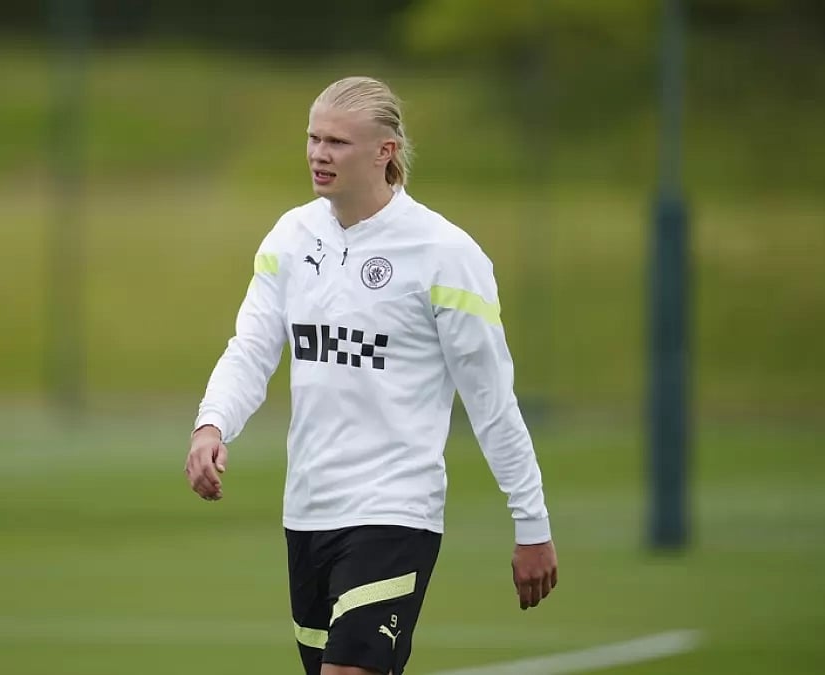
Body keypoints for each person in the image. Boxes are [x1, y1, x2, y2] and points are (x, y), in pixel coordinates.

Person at [185, 76, 558, 675]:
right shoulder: (291, 236)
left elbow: (491, 400)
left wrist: (531, 523)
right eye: (312, 138)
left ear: (386, 152)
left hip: (395, 507)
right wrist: (212, 425)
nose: (318, 153)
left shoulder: (445, 254)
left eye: (337, 142)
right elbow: (251, 348)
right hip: (307, 511)